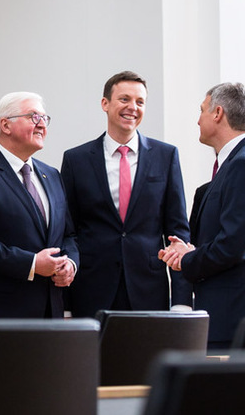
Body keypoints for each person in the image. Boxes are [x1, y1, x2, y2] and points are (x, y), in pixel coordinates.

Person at [159, 82, 245, 349]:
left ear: (218, 113)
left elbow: (233, 247)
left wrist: (187, 258)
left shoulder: (244, 164)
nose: (197, 120)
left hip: (236, 318)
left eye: (202, 110)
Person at [61, 71, 191, 316]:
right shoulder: (75, 160)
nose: (133, 107)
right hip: (90, 291)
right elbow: (68, 231)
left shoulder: (166, 156)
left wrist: (182, 300)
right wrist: (66, 304)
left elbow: (178, 233)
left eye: (140, 102)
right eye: (124, 99)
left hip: (148, 291)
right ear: (105, 103)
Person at [0, 91, 79, 318]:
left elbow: (68, 235)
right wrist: (32, 263)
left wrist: (70, 263)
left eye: (45, 118)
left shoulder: (52, 175)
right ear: (5, 125)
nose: (42, 125)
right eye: (34, 117)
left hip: (52, 310)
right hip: (3, 312)